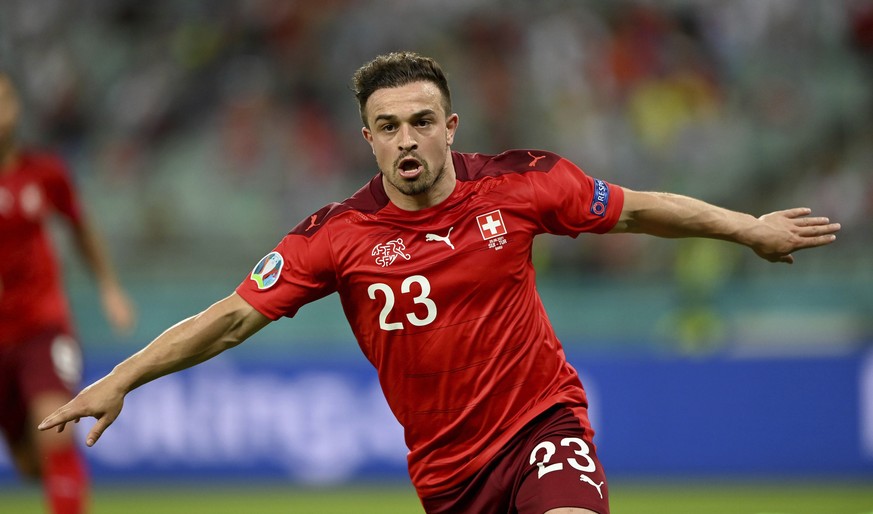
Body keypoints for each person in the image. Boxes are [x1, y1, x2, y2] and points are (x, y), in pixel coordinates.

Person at [38, 52, 839, 514]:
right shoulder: (335, 237)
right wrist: (123, 377)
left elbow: (637, 211)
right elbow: (232, 318)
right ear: (367, 140)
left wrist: (748, 228)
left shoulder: (525, 185)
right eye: (388, 127)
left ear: (449, 126)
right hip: (447, 476)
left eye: (421, 121)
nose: (407, 139)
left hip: (540, 428)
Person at [0, 72, 136, 514]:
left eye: (5, 98)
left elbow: (82, 230)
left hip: (43, 326)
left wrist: (109, 288)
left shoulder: (45, 173)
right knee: (29, 464)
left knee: (54, 431)